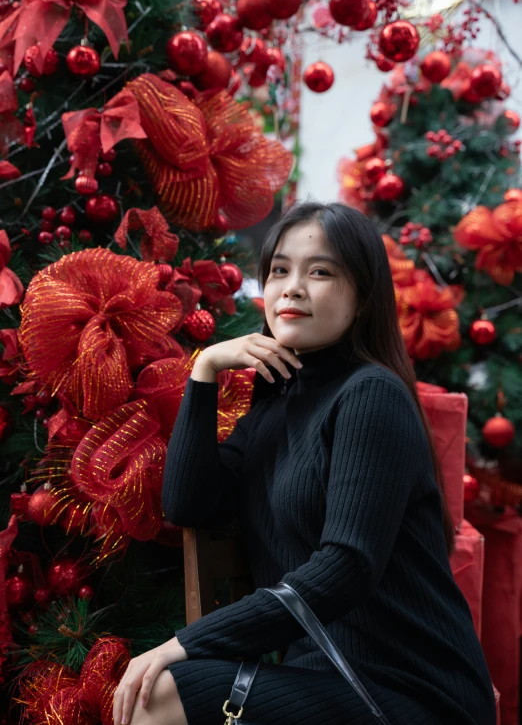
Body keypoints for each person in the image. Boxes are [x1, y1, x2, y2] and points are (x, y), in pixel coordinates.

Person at [113, 202, 497, 725]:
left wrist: (187, 644)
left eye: (320, 271)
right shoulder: (275, 406)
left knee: (159, 695)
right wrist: (202, 372)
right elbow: (187, 504)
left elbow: (346, 568)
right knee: (155, 691)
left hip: (413, 689)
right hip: (325, 681)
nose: (292, 287)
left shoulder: (370, 395)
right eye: (279, 270)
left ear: (362, 297)